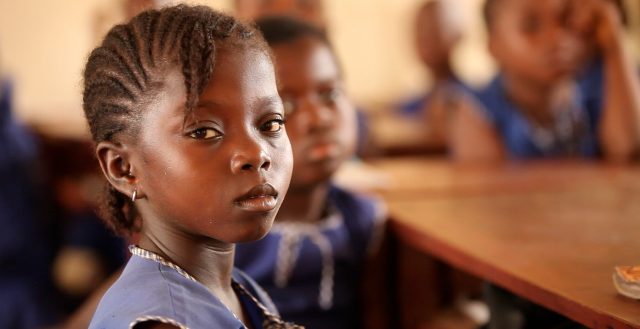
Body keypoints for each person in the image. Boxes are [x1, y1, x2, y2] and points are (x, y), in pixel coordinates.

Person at [82, 5, 299, 328]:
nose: (256, 153)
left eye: (270, 124)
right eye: (204, 131)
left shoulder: (236, 291)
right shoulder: (162, 321)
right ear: (123, 167)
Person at [234, 16, 388, 329]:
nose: (317, 119)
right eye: (285, 106)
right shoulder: (223, 233)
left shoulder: (361, 219)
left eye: (329, 94)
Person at [450, 0, 640, 163]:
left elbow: (627, 148)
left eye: (565, 21)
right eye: (531, 26)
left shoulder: (592, 94)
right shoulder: (478, 113)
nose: (557, 37)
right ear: (493, 46)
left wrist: (613, 41)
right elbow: (491, 195)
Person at [397, 0, 471, 152]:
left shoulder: (474, 102)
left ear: (459, 35)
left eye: (434, 29)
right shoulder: (410, 106)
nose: (425, 38)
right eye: (419, 31)